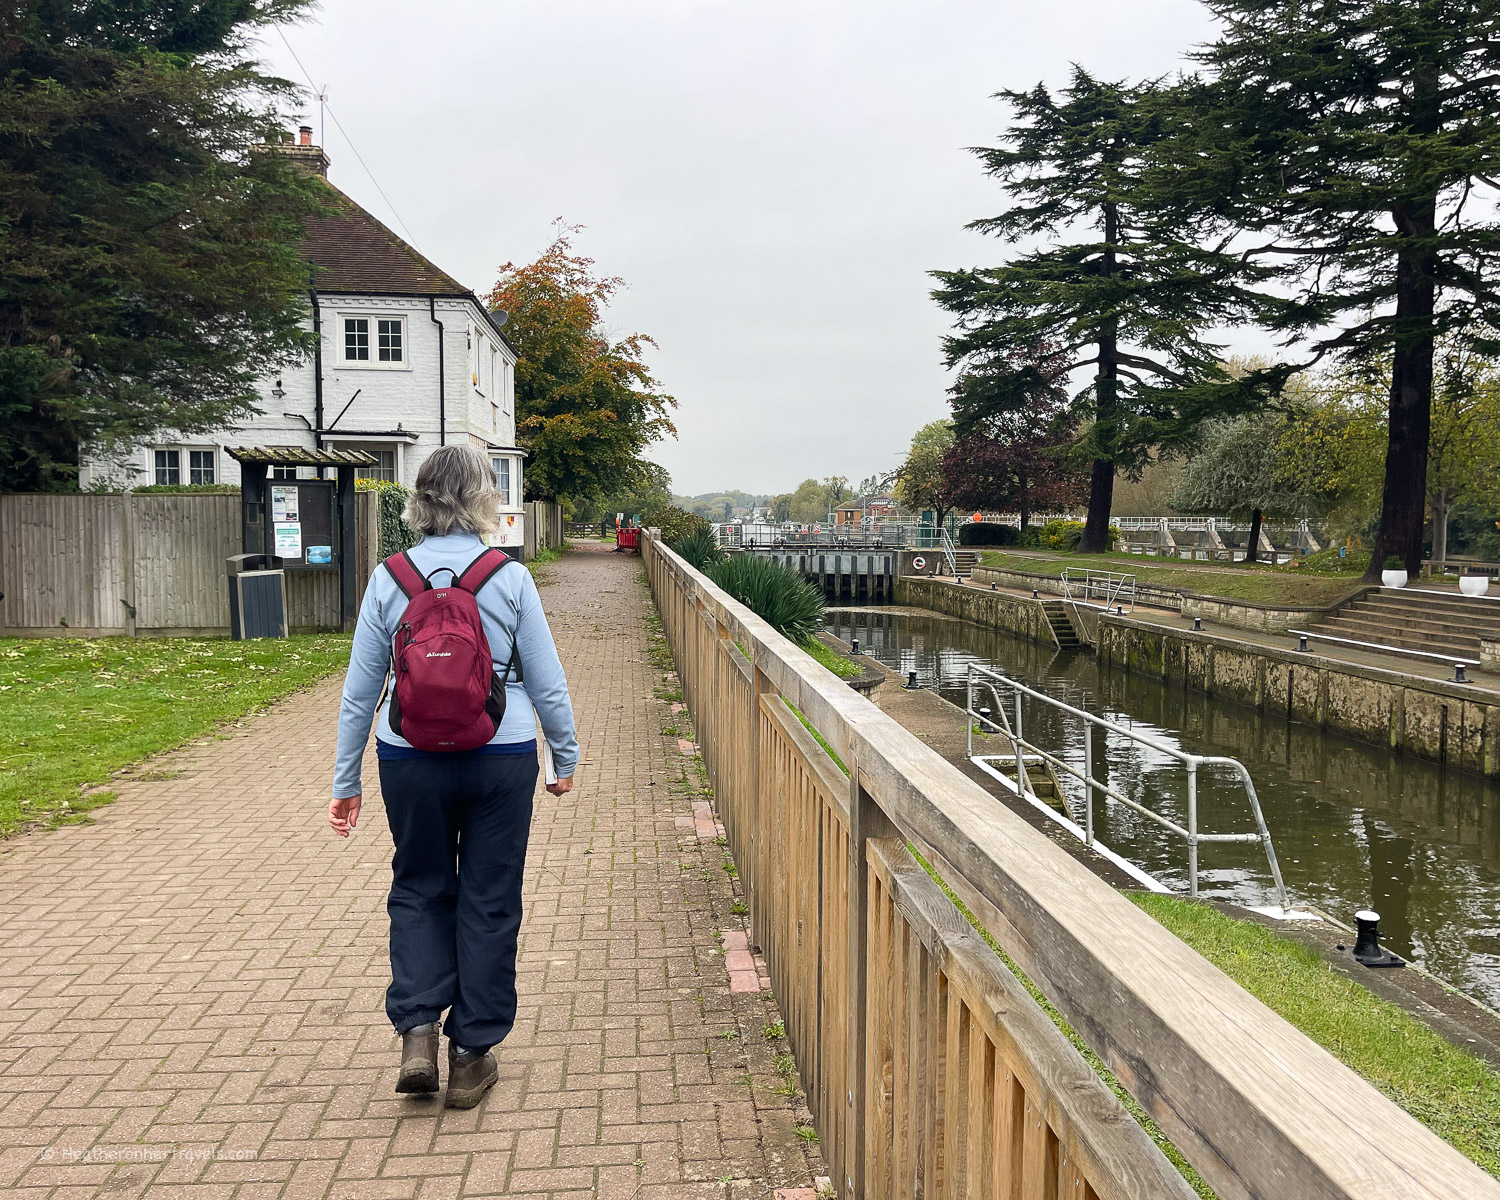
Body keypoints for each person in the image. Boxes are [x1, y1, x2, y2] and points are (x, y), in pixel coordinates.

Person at [328, 445, 578, 1109]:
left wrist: (345, 779)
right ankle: (472, 1054)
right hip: (500, 753)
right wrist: (566, 756)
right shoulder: (509, 577)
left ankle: (416, 1031)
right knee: (489, 897)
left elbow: (360, 690)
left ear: (420, 500)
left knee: (419, 887)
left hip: (407, 755)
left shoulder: (391, 576)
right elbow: (547, 682)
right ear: (481, 499)